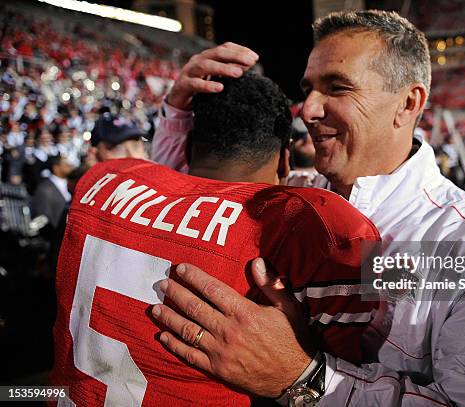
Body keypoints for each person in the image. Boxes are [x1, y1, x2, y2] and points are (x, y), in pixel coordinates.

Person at [151, 11, 465, 406]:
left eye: (337, 87)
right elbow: (187, 205)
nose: (307, 110)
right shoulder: (291, 199)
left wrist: (302, 379)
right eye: (309, 87)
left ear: (408, 103)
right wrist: (178, 111)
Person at [50, 72, 379, 406]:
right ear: (284, 158)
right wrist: (302, 367)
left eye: (337, 88)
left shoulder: (108, 180)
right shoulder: (318, 222)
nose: (312, 107)